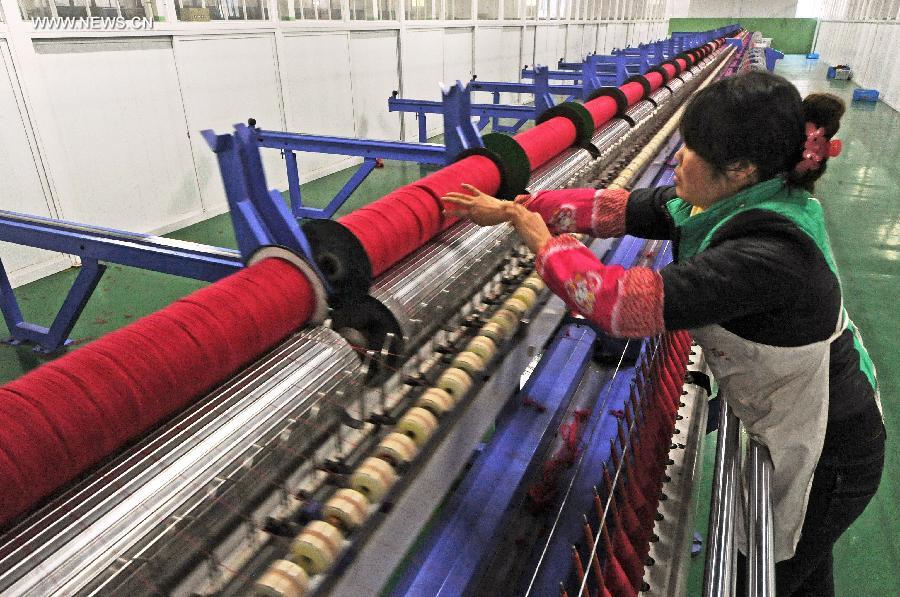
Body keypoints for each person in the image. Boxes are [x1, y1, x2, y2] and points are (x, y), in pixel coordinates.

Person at [442, 71, 884, 596]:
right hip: (799, 417)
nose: (678, 156)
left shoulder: (769, 252)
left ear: (740, 169)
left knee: (764, 579)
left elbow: (620, 305)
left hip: (831, 447)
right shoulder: (738, 199)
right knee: (804, 575)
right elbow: (620, 210)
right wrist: (519, 206)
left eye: (692, 149)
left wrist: (541, 242)